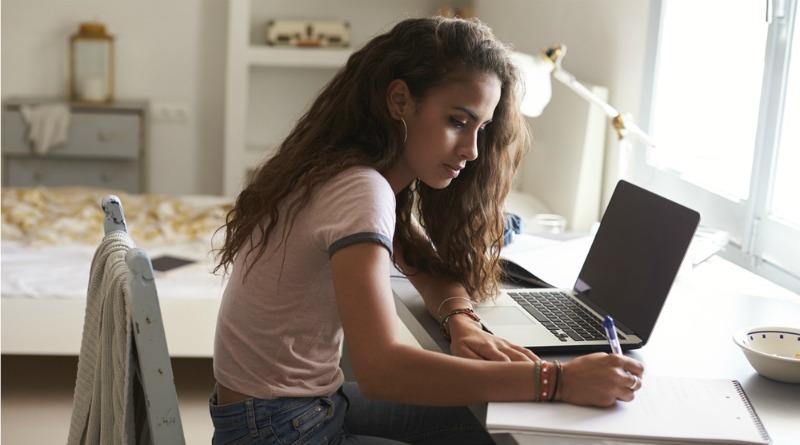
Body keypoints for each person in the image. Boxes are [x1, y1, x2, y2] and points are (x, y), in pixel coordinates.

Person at [210, 15, 644, 445]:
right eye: (458, 121)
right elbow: (383, 370)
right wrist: (556, 379)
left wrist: (462, 320)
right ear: (399, 100)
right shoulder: (361, 189)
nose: (473, 150)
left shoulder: (348, 170)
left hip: (280, 411)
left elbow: (424, 264)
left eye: (482, 128)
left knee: (484, 421)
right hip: (279, 428)